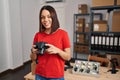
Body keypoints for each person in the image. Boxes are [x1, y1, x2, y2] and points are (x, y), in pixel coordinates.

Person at [30, 5, 71, 80]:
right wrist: (33, 52)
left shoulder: (63, 34)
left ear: (53, 17)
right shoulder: (38, 35)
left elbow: (68, 57)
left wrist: (57, 50)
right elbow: (33, 58)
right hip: (40, 75)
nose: (45, 20)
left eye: (48, 16)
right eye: (42, 17)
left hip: (56, 76)